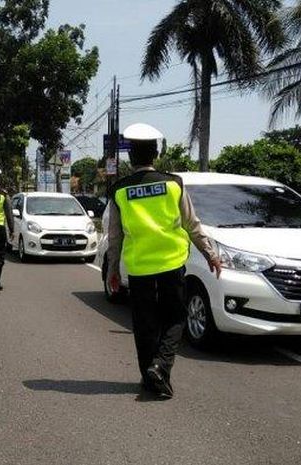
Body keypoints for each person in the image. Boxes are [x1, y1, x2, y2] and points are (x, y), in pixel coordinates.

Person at [106, 123, 221, 399]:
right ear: (155, 154)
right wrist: (210, 254)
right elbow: (192, 224)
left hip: (140, 266)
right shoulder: (173, 184)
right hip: (171, 264)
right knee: (175, 318)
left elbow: (115, 237)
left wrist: (112, 270)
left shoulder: (120, 190)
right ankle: (160, 367)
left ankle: (150, 376)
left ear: (130, 157)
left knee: (144, 324)